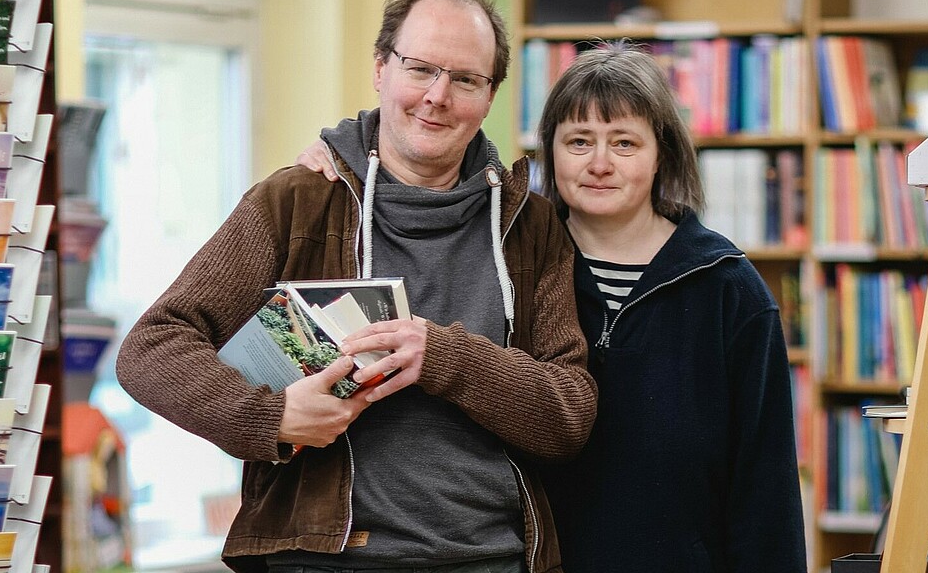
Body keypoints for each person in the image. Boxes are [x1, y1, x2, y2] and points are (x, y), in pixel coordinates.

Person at [115, 0, 596, 573]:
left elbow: (568, 415)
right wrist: (270, 417)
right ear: (380, 68)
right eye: (420, 68)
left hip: (493, 558)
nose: (438, 96)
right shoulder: (295, 203)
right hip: (325, 558)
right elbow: (149, 349)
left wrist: (444, 357)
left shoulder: (531, 223)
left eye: (466, 79)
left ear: (490, 95)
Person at [299, 44, 806, 571]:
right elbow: (428, 155)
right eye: (578, 142)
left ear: (664, 154)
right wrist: (335, 154)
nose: (600, 164)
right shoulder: (510, 260)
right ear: (551, 152)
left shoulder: (728, 289)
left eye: (625, 143)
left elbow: (765, 487)